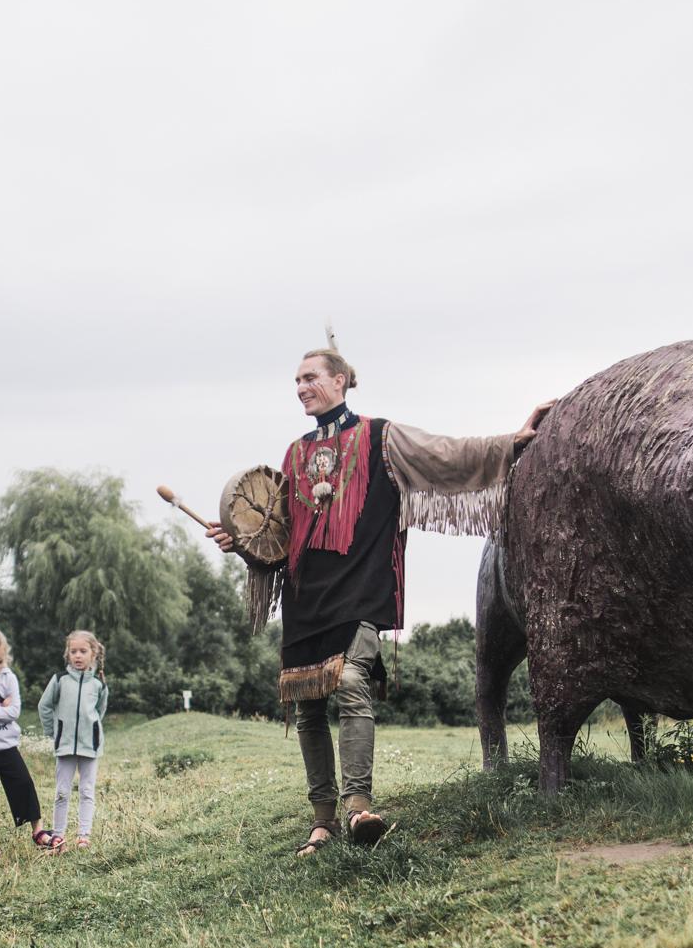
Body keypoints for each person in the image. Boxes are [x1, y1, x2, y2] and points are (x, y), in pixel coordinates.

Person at [202, 347, 551, 854]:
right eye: (296, 380)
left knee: (349, 681)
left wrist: (510, 442)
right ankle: (322, 821)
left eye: (310, 377)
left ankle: (358, 808)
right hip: (306, 598)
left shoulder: (380, 438)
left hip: (361, 587)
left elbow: (444, 453)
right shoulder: (294, 455)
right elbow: (278, 538)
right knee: (307, 707)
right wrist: (241, 541)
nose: (301, 387)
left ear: (340, 381)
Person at [0, 627, 60, 862]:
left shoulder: (9, 677)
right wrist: (0, 711)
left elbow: (14, 712)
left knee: (23, 784)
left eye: (0, 662)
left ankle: (38, 832)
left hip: (7, 744)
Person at [39, 631, 110, 849]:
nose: (78, 656)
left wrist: (93, 730)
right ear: (67, 654)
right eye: (73, 651)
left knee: (87, 791)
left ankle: (84, 835)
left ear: (93, 654)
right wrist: (53, 732)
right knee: (62, 792)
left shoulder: (98, 684)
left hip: (90, 746)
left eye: (83, 651)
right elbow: (44, 706)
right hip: (65, 745)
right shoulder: (59, 680)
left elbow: (100, 711)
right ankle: (58, 835)